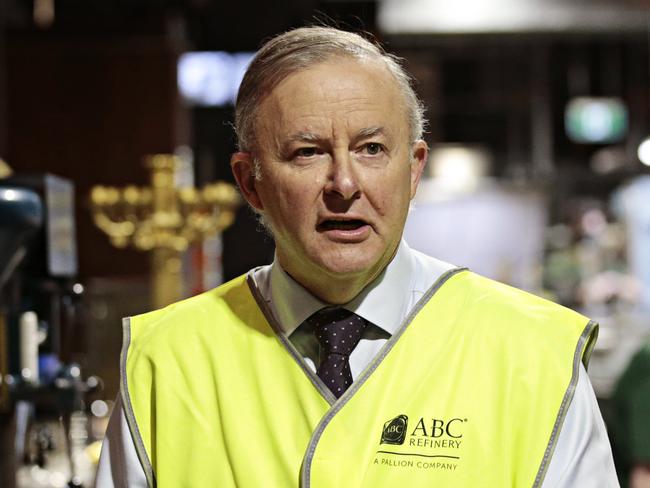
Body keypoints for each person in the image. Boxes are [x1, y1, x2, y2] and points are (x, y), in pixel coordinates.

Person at [95, 26, 619, 487]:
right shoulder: (164, 360)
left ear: (414, 169)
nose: (344, 184)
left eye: (371, 149)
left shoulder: (535, 355)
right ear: (249, 182)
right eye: (308, 152)